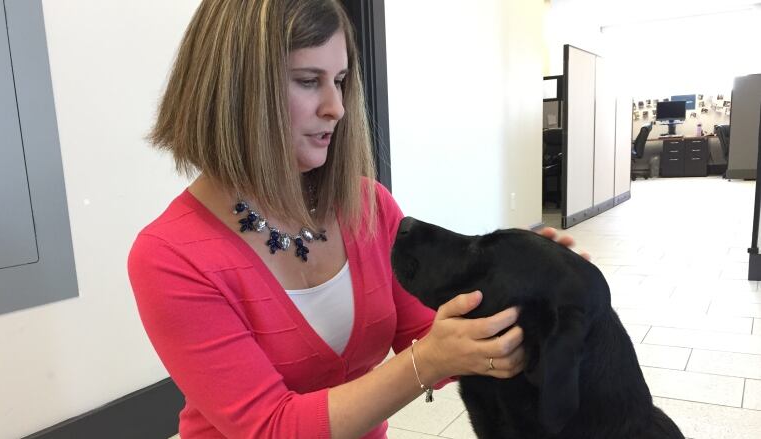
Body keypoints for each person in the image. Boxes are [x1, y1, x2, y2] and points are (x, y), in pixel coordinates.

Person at [128, 1, 586, 438]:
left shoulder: (366, 206)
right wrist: (426, 362)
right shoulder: (169, 257)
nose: (337, 107)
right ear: (235, 92)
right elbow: (271, 429)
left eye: (341, 80)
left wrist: (525, 298)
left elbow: (429, 335)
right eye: (309, 81)